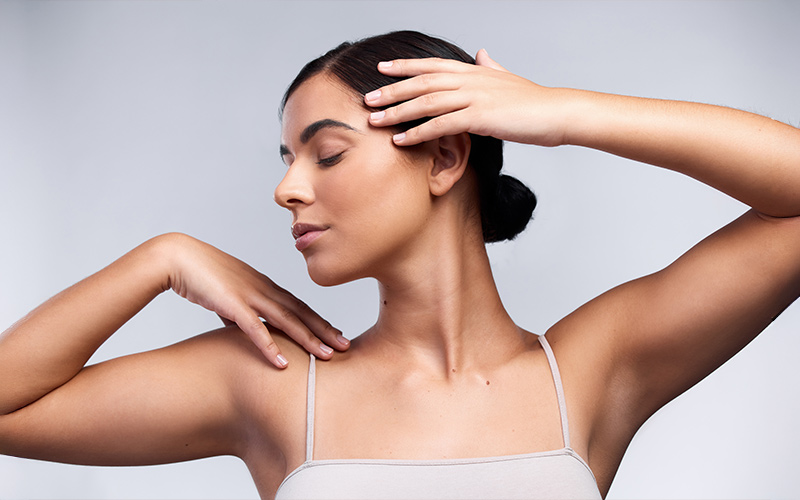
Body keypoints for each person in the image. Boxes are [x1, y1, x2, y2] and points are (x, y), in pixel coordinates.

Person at [1, 30, 799, 499]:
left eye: (327, 154)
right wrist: (160, 259)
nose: (287, 188)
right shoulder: (275, 382)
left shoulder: (589, 370)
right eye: (286, 159)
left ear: (445, 157)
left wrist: (562, 113)